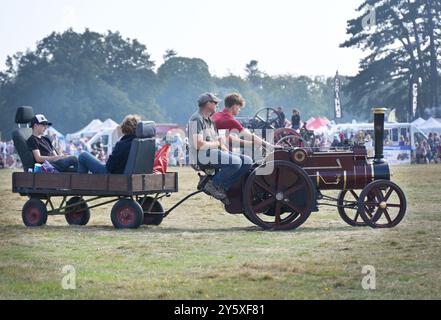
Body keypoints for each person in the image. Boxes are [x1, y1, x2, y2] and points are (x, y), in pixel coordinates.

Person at [188, 92, 252, 204]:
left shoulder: (210, 120)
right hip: (201, 155)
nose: (217, 105)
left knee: (247, 161)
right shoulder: (196, 119)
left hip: (212, 152)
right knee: (236, 162)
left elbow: (219, 139)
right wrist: (217, 144)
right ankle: (213, 184)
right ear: (208, 104)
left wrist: (223, 148)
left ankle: (223, 188)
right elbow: (198, 144)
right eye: (215, 103)